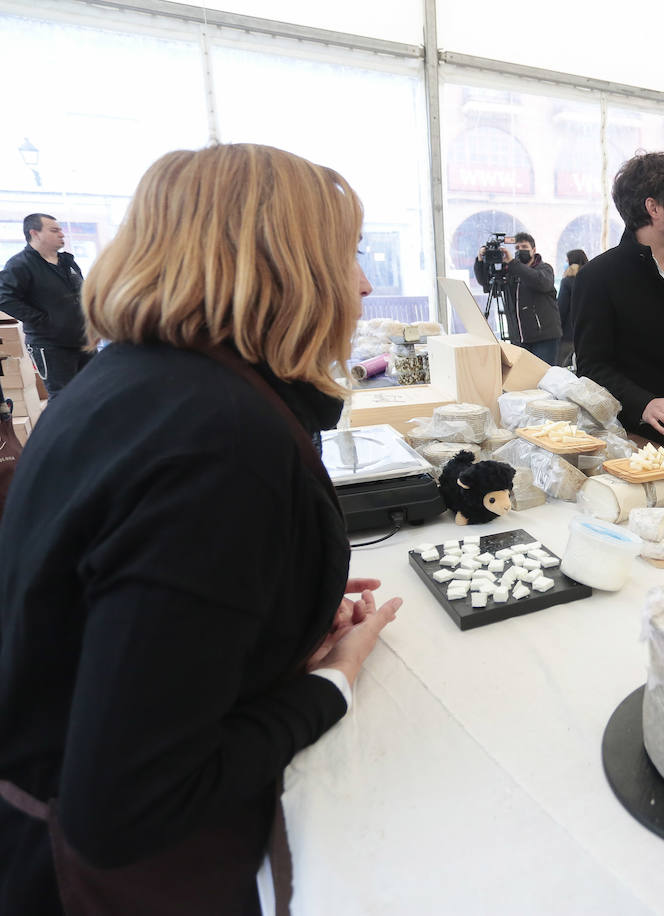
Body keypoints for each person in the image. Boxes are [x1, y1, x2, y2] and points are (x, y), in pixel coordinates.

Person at [0, 143, 402, 914]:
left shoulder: (134, 383)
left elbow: (109, 608)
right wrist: (331, 683)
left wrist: (274, 610)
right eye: (345, 254)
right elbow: (127, 805)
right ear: (279, 267)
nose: (363, 283)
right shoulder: (217, 440)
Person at [574, 152, 664, 455]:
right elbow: (592, 367)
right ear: (653, 207)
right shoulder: (599, 277)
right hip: (639, 448)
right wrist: (643, 403)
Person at [0, 213, 89, 398]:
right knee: (64, 400)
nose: (62, 234)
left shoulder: (67, 262)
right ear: (35, 233)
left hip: (82, 341)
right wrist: (43, 320)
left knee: (94, 394)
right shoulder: (20, 265)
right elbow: (4, 297)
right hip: (51, 346)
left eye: (61, 230)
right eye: (54, 230)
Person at [473, 231, 561, 364]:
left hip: (544, 338)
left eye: (524, 247)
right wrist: (480, 261)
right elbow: (486, 282)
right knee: (523, 381)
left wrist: (513, 263)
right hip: (519, 337)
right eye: (517, 248)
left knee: (543, 379)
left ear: (534, 250)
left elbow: (541, 282)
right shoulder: (511, 272)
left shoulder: (544, 269)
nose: (520, 251)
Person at [556, 248, 587, 367]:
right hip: (587, 335)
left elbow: (561, 309)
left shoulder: (567, 282)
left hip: (568, 336)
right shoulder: (591, 279)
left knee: (564, 369)